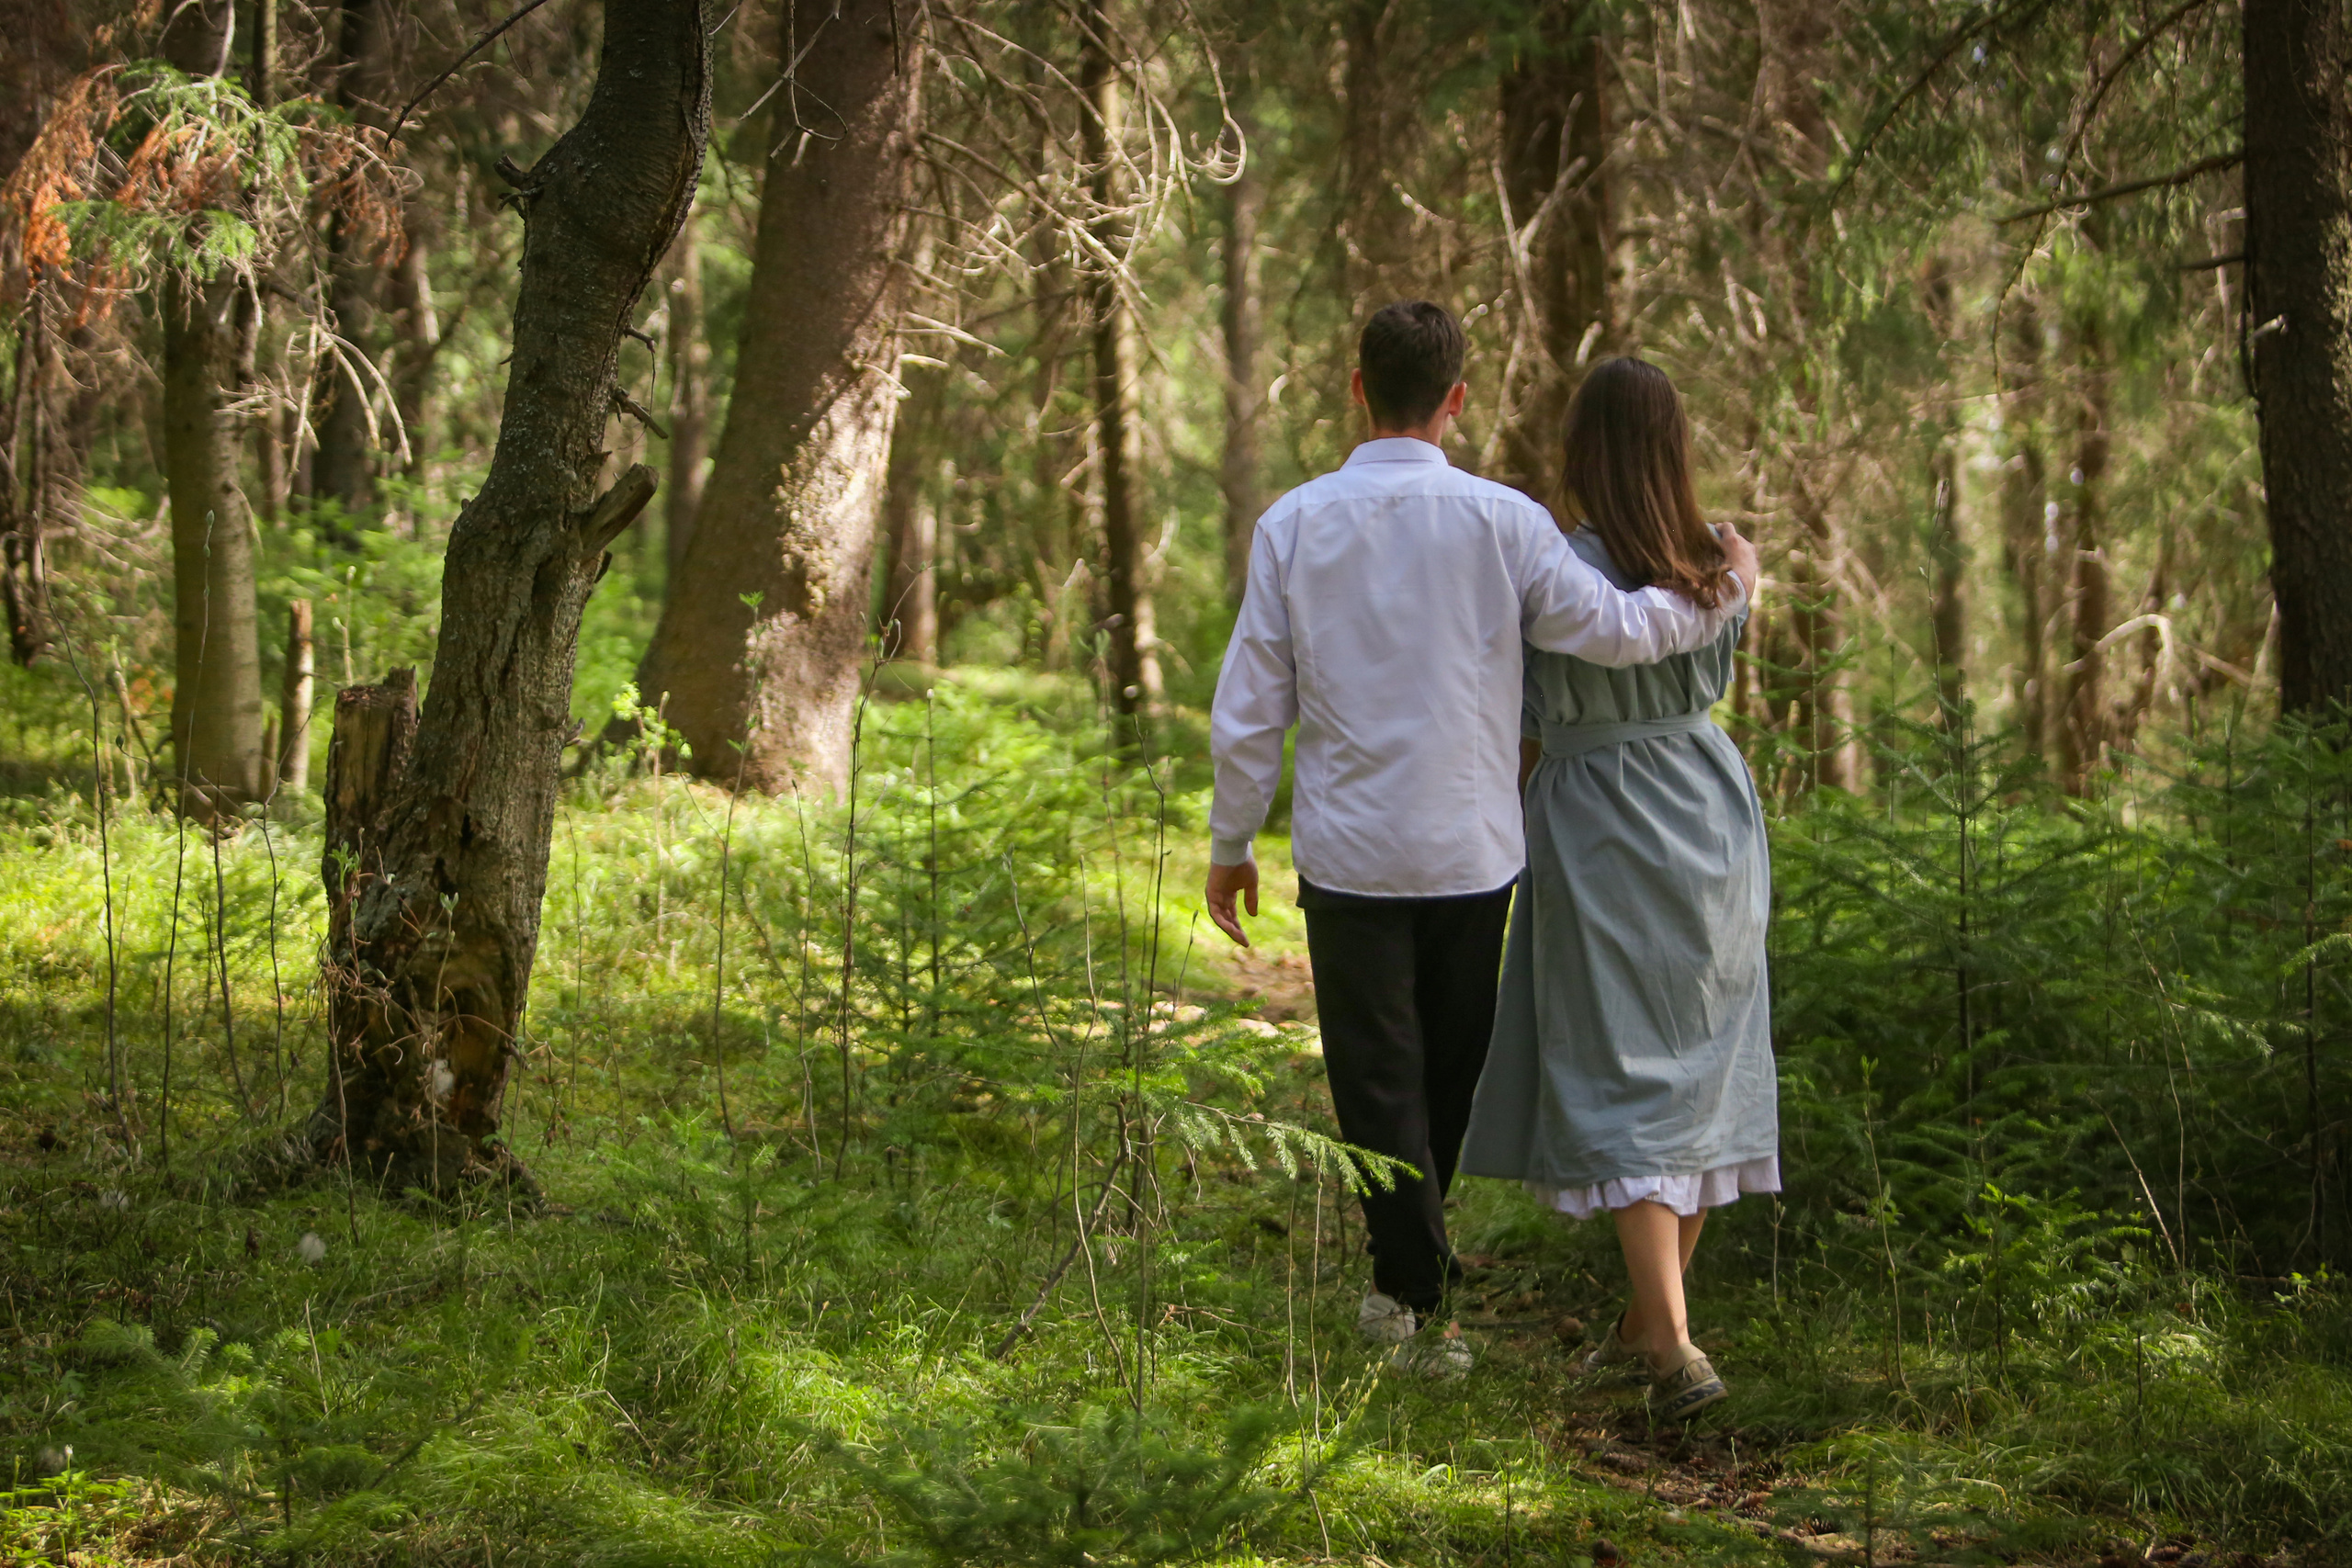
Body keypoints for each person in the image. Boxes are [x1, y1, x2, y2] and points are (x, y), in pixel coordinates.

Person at [1204, 303, 1758, 1374]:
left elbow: (1249, 705)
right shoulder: (1507, 524)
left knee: (1379, 1081)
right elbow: (1619, 630)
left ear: (1357, 387)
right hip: (1471, 853)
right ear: (1456, 400)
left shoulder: (1294, 523)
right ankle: (1414, 1292)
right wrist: (1727, 593)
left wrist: (1234, 840)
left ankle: (1405, 1293)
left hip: (1351, 853)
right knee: (1444, 1077)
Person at [1457, 356, 1780, 1420]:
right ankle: (1650, 1327)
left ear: (1582, 450)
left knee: (1625, 1070)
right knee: (1694, 1070)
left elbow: (1518, 721)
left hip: (1594, 814)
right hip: (1709, 810)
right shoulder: (1717, 561)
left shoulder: (1555, 565)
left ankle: (1671, 1344)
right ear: (1674, 448)